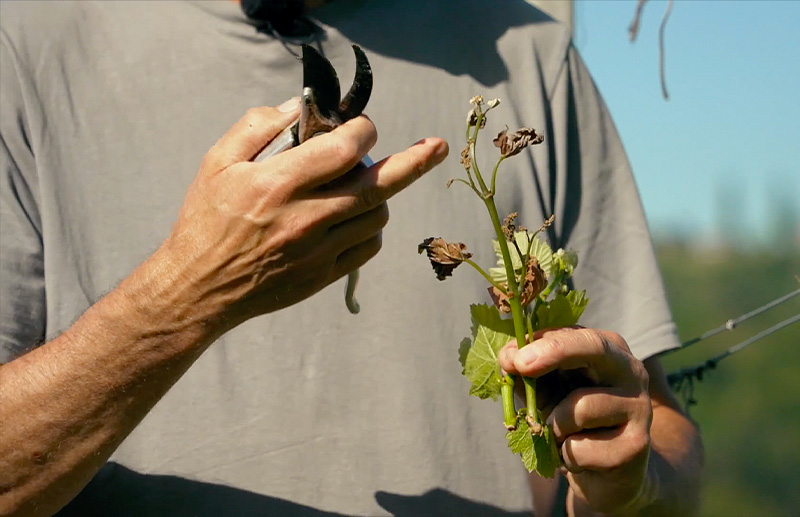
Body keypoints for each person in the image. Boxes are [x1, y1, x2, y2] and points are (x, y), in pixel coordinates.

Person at [0, 1, 702, 515]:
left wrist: (630, 486)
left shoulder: (524, 50)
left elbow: (661, 432)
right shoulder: (27, 43)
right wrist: (191, 291)